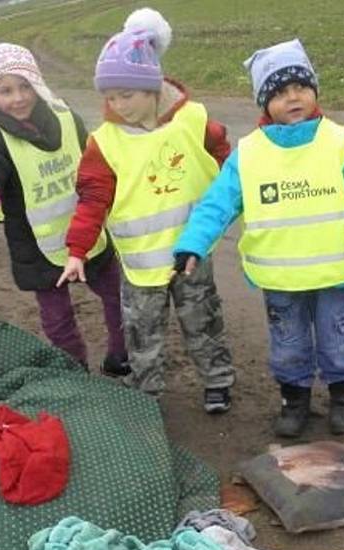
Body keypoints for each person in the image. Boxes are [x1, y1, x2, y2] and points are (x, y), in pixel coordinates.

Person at [173, 39, 344, 436]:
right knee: (288, 344)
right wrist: (192, 243)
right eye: (280, 91)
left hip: (335, 273)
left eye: (301, 88)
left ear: (314, 91)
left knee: (339, 338)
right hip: (279, 280)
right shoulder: (249, 153)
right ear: (264, 102)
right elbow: (217, 204)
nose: (293, 97)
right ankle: (294, 398)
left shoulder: (339, 142)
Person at [58, 8, 236, 411]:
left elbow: (228, 164)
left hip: (192, 254)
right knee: (142, 333)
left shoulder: (193, 119)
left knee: (204, 321)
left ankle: (218, 382)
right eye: (110, 97)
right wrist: (76, 251)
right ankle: (148, 395)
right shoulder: (104, 143)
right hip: (140, 267)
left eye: (127, 94)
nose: (119, 104)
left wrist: (231, 203)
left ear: (152, 87)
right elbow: (91, 200)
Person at [0, 42, 129, 376]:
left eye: (25, 85)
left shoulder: (66, 116)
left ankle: (121, 356)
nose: (18, 97)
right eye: (6, 90)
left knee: (117, 298)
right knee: (58, 319)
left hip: (89, 233)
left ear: (37, 83)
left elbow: (100, 163)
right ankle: (75, 370)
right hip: (37, 247)